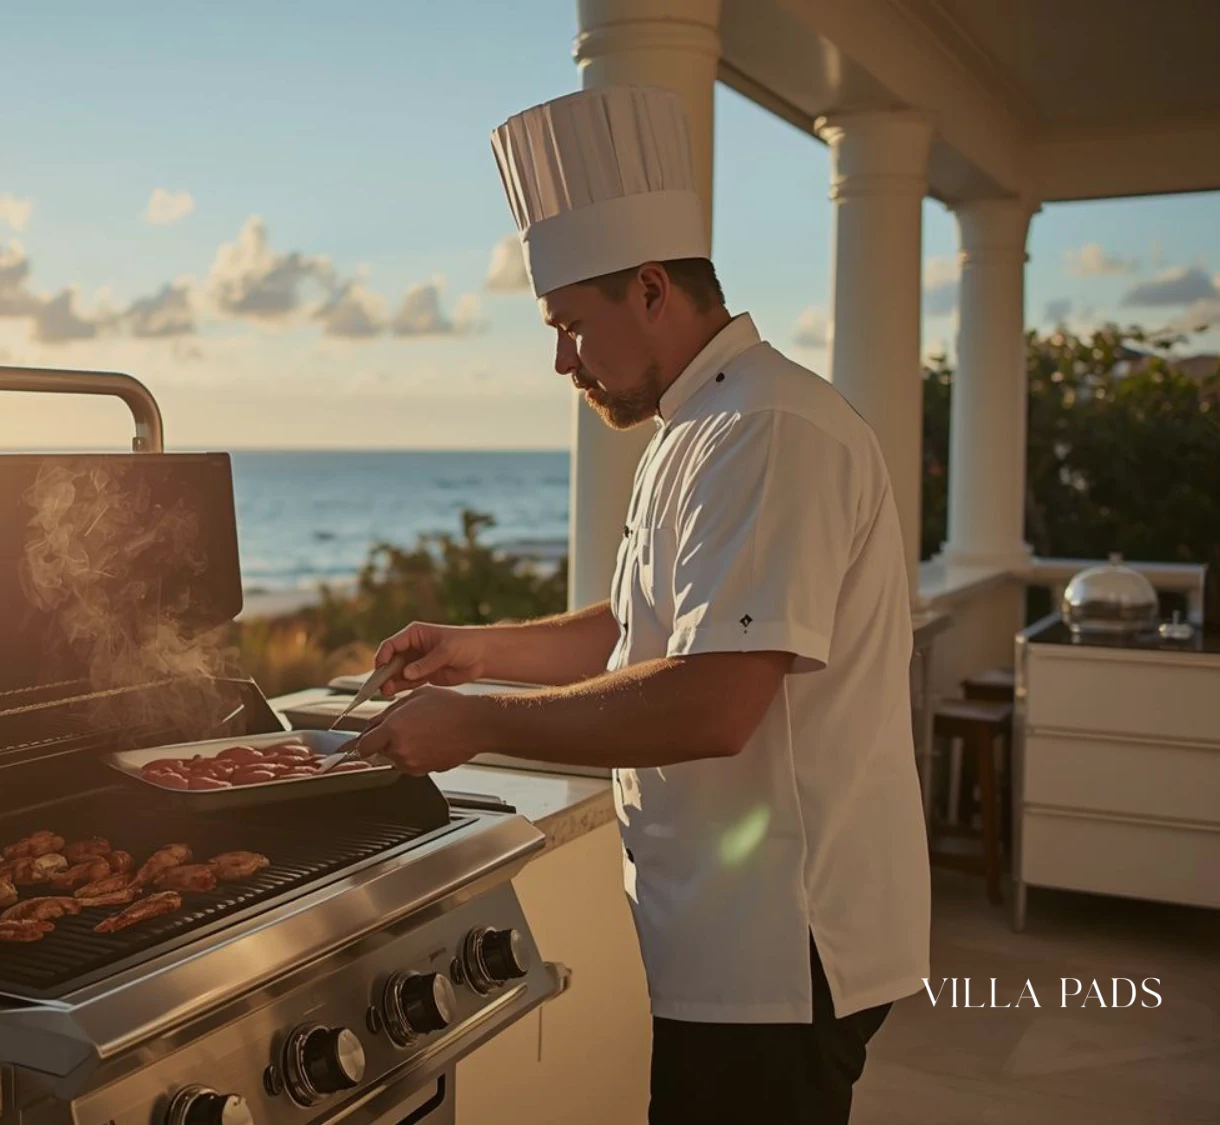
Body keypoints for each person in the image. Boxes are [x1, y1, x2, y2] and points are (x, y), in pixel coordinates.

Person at [347, 85, 930, 1125]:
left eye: (571, 324)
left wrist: (475, 723)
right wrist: (466, 652)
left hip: (780, 944)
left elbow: (712, 702)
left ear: (652, 287)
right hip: (723, 931)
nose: (563, 359)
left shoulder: (764, 430)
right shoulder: (697, 425)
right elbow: (632, 627)